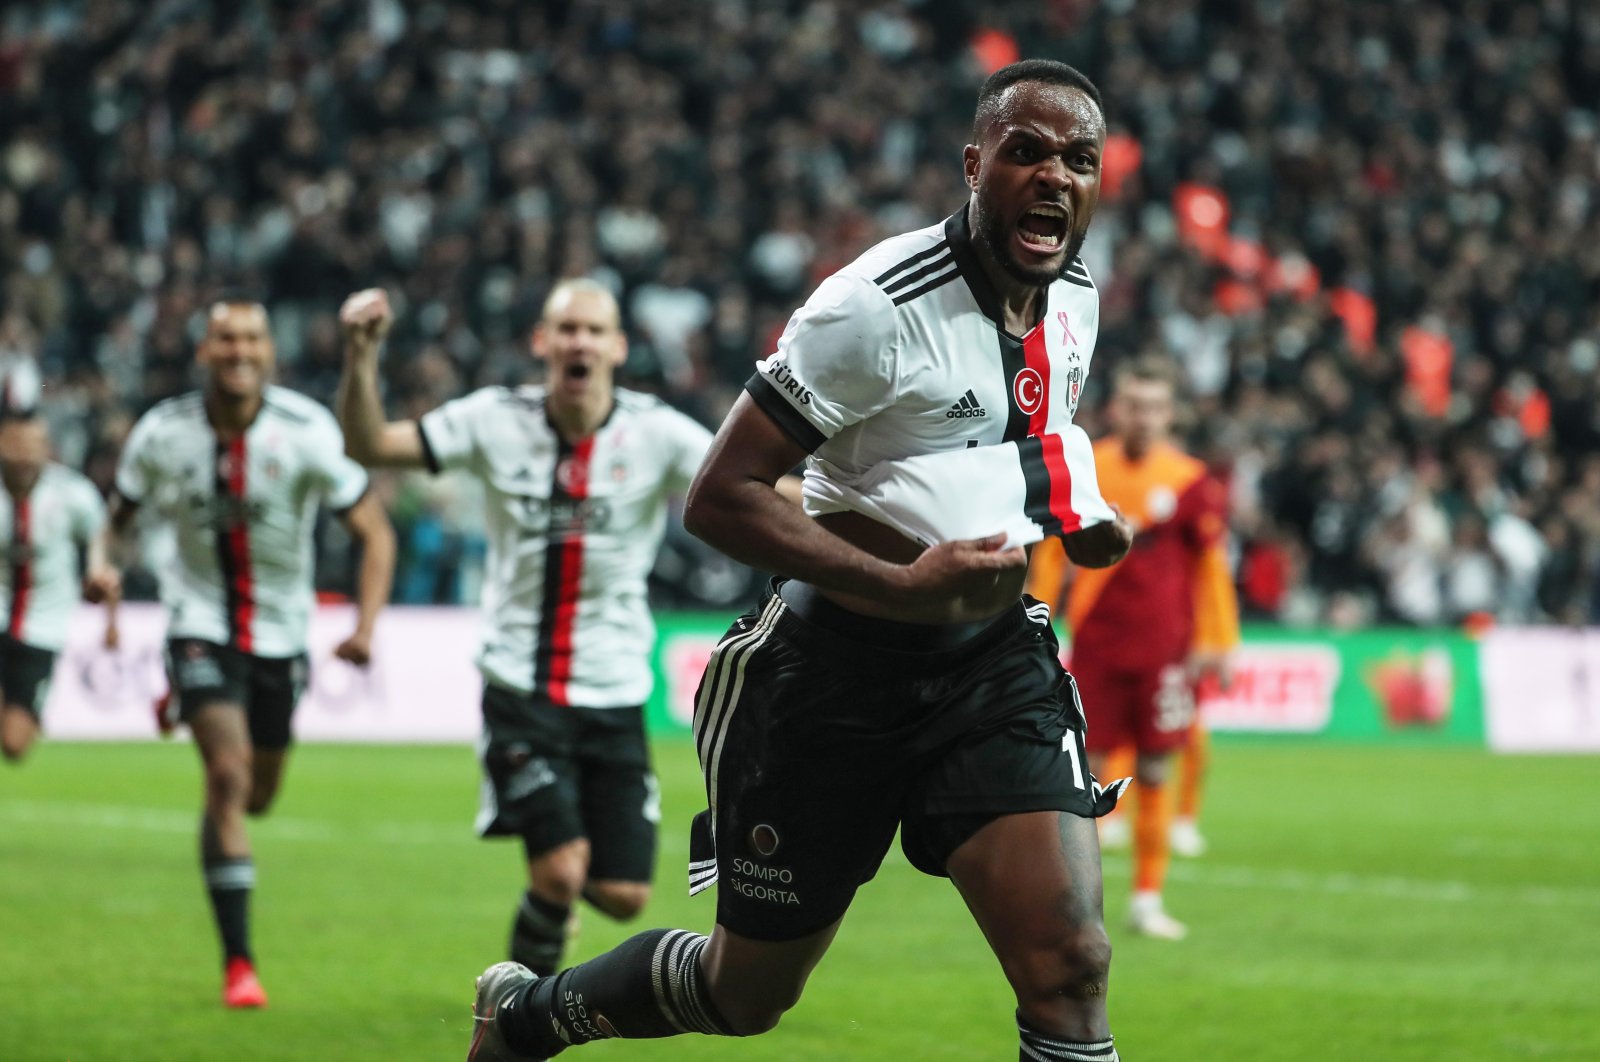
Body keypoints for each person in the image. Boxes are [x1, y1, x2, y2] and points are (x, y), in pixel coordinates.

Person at [466, 58, 1138, 1062]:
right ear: (972, 164)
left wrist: (1075, 514)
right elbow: (719, 496)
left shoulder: (1073, 293)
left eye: (1077, 161)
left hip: (991, 669)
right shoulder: (871, 307)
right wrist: (902, 582)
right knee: (746, 993)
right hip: (827, 682)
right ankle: (527, 1017)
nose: (1054, 177)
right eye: (1025, 152)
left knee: (1070, 965)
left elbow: (1005, 443)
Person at [336, 279, 722, 981]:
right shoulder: (492, 419)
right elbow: (368, 443)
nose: (579, 341)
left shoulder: (657, 432)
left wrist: (864, 513)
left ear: (617, 348)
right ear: (541, 343)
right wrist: (361, 358)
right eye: (566, 329)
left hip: (614, 691)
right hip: (522, 687)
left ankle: (551, 918)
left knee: (624, 895)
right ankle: (515, 1016)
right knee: (561, 869)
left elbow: (752, 482)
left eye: (593, 331)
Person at [88, 297, 395, 1008]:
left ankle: (185, 703)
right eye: (225, 339)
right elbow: (118, 523)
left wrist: (367, 626)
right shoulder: (162, 433)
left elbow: (375, 531)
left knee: (258, 794)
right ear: (204, 350)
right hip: (197, 621)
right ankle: (239, 965)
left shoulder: (307, 431)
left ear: (269, 351)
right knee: (225, 778)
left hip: (280, 637)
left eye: (251, 338)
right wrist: (106, 565)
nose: (238, 351)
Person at [1025, 355, 1239, 940]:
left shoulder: (1191, 480)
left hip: (1166, 651)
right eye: (1133, 405)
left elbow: (1210, 566)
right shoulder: (1088, 467)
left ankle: (1147, 898)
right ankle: (1078, 905)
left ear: (1171, 415)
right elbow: (1049, 549)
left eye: (1154, 408)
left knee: (1153, 767)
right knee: (1084, 775)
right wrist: (1034, 616)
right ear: (1116, 409)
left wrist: (1219, 638)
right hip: (1097, 644)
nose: (1142, 417)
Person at [0, 413, 118, 762]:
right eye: (14, 444)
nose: (23, 455)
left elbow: (102, 541)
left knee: (14, 746)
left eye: (31, 446)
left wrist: (111, 618)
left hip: (43, 626)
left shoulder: (72, 493)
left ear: (45, 449)